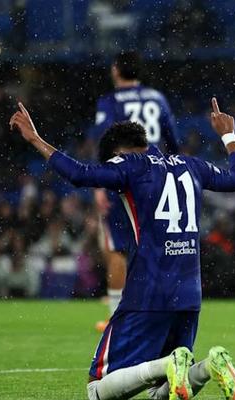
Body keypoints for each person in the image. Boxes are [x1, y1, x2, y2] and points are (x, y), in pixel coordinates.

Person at [10, 98, 235, 400]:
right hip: (189, 294)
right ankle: (208, 366)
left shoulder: (130, 165)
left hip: (148, 292)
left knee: (97, 389)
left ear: (118, 153)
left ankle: (167, 363)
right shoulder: (192, 165)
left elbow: (79, 174)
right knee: (161, 391)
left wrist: (34, 139)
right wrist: (228, 135)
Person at [91, 51, 180, 331]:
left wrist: (100, 183)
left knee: (117, 248)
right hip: (157, 177)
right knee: (157, 245)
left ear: (116, 70)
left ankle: (118, 318)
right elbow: (173, 141)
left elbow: (104, 142)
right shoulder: (157, 98)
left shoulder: (110, 101)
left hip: (124, 177)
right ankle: (162, 312)